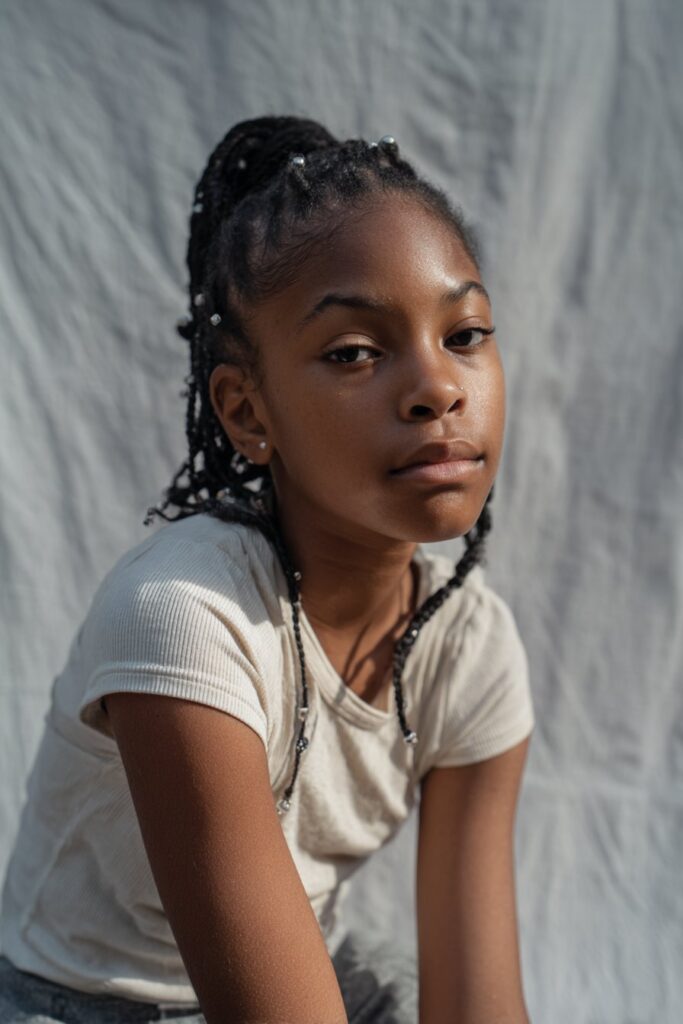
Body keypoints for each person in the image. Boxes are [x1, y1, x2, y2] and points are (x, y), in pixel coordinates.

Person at [0, 115, 535, 1024]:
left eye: (465, 333)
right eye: (354, 352)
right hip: (84, 1005)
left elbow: (476, 1004)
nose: (436, 387)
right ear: (248, 413)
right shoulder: (182, 614)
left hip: (306, 981)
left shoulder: (469, 645)